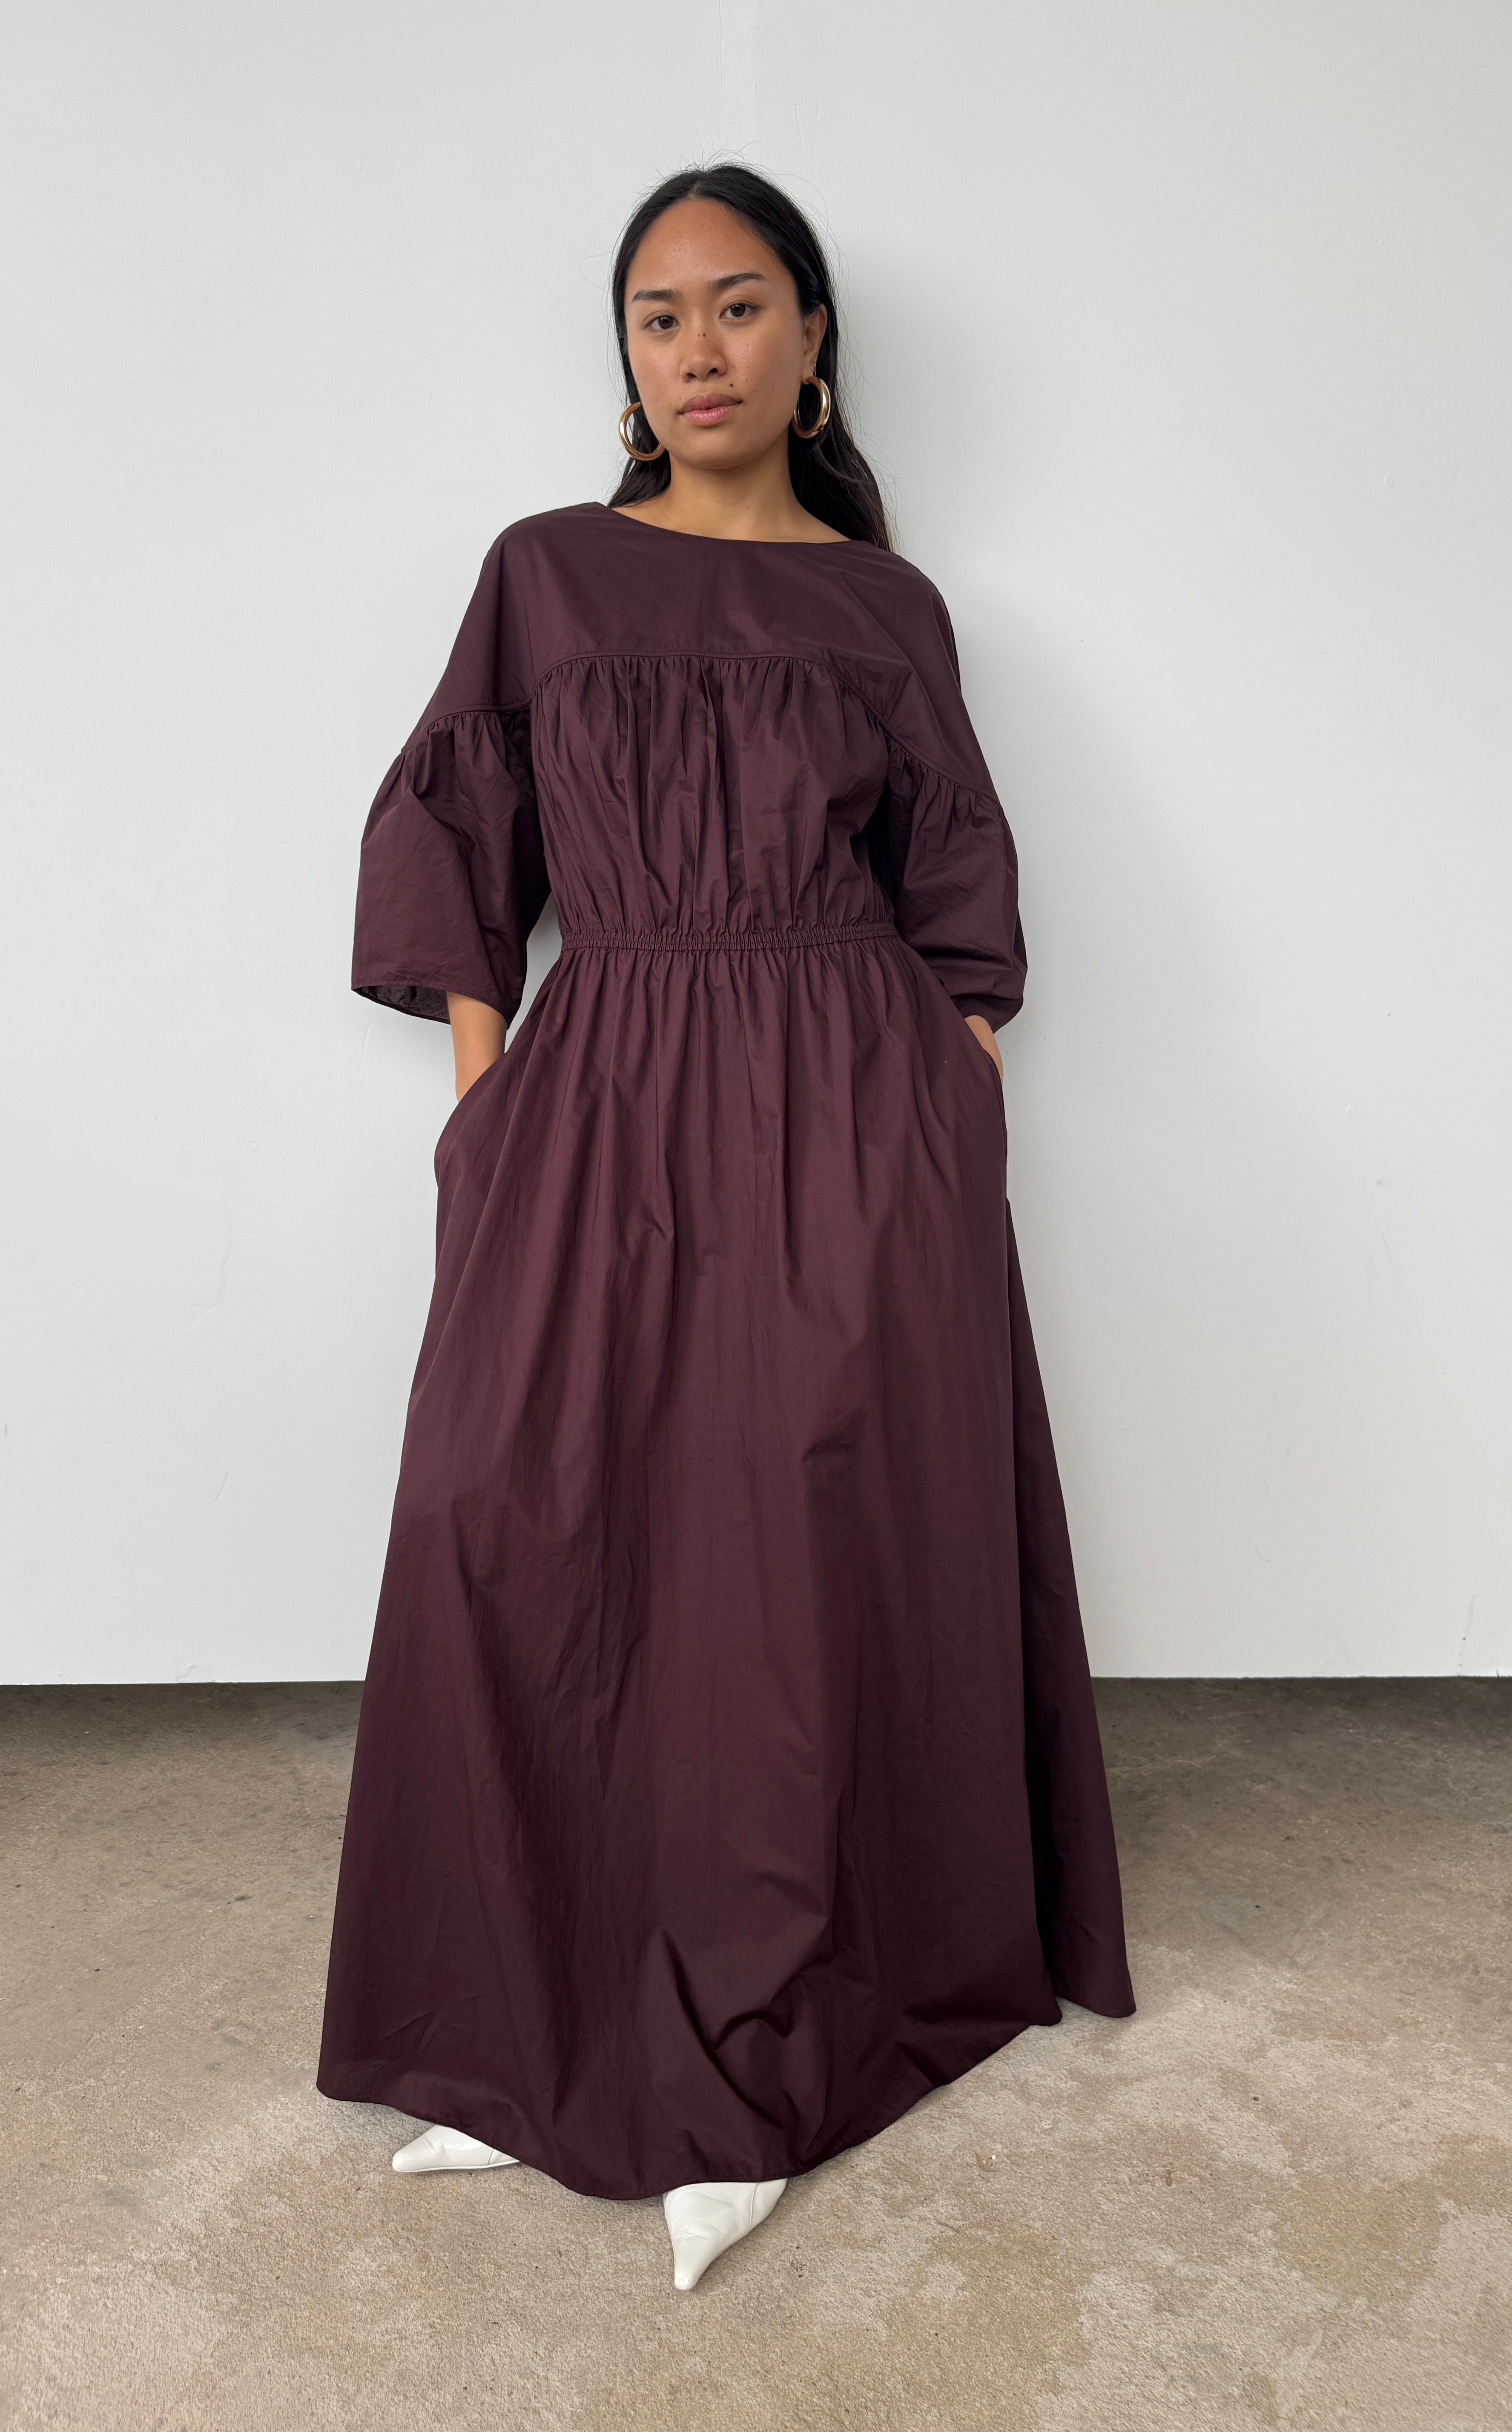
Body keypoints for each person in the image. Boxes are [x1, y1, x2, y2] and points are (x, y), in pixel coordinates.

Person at [316, 163, 1135, 2294]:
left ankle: (754, 2067)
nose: (699, 348)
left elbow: (959, 882)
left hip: (850, 1111)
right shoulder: (548, 575)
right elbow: (456, 825)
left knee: (785, 1580)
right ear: (626, 358)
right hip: (606, 1089)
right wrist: (490, 1104)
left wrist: (939, 1098)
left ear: (812, 339)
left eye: (741, 304)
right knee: (516, 1525)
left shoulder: (889, 611)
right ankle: (533, 2027)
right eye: (659, 314)